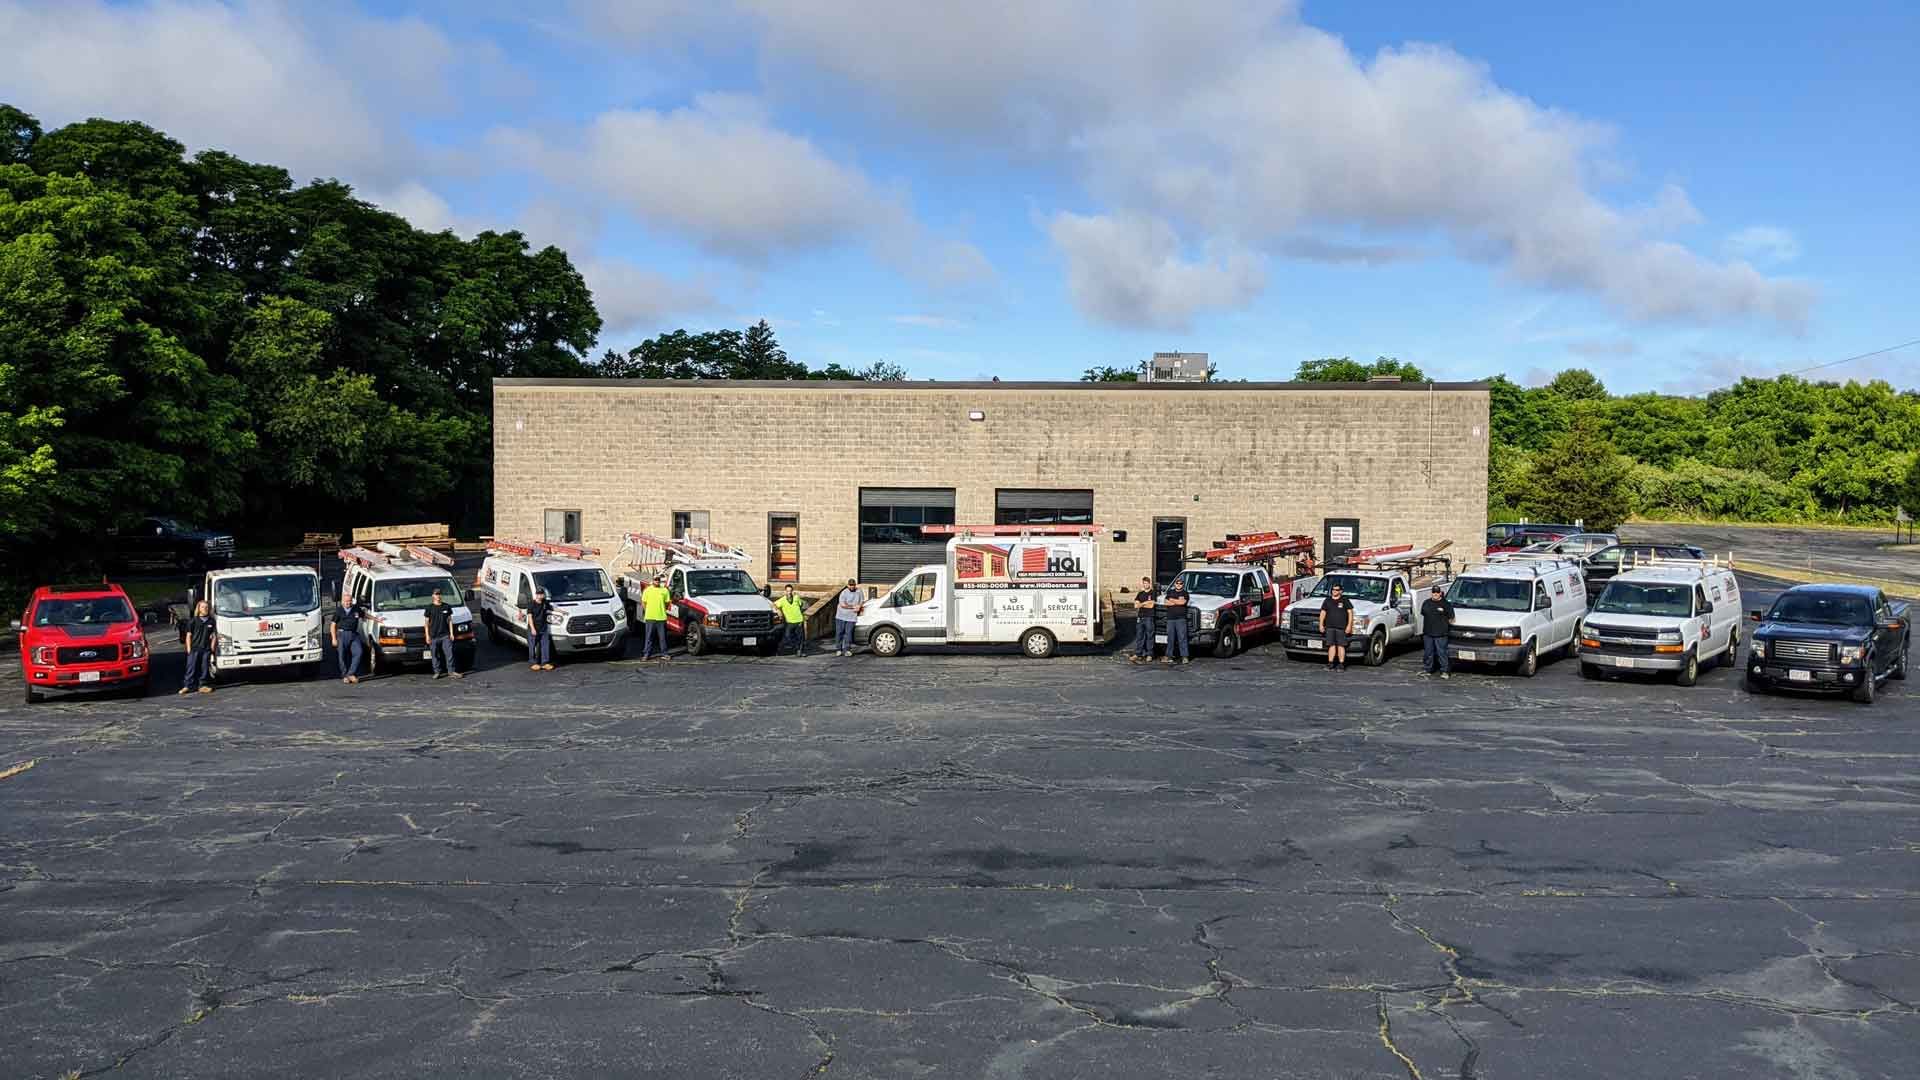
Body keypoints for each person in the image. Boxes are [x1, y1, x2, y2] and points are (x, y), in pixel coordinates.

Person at [179, 599, 216, 695]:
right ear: (199, 609)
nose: (205, 609)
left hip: (206, 649)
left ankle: (202, 686)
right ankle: (187, 686)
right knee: (191, 668)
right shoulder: (193, 621)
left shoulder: (211, 621)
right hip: (194, 648)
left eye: (207, 607)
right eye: (203, 607)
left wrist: (212, 647)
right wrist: (188, 649)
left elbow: (214, 635)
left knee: (204, 668)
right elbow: (188, 636)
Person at [1419, 584, 1455, 679]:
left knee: (1442, 653)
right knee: (1428, 653)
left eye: (1437, 592)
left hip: (1441, 634)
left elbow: (1452, 619)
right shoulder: (1426, 603)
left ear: (1440, 593)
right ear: (1431, 593)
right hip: (1428, 633)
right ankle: (1428, 669)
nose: (1435, 594)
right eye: (1433, 592)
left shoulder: (1446, 604)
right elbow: (1423, 613)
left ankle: (1445, 671)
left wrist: (1445, 626)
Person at [425, 587, 462, 680]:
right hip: (433, 636)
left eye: (439, 594)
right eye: (436, 594)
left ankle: (451, 671)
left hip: (445, 635)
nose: (438, 596)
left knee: (449, 654)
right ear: (433, 596)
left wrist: (452, 633)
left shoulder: (446, 607)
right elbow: (426, 624)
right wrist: (427, 636)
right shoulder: (429, 608)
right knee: (435, 655)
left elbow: (449, 621)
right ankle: (437, 672)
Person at [332, 589, 367, 684]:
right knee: (341, 656)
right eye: (346, 601)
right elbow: (333, 625)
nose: (348, 603)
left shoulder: (356, 609)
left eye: (350, 601)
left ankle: (351, 673)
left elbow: (364, 615)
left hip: (354, 634)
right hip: (342, 635)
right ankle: (345, 675)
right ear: (342, 602)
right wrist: (334, 638)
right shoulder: (339, 610)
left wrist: (377, 619)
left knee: (359, 652)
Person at [1320, 582, 1353, 671]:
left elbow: (1350, 613)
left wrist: (1349, 626)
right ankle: (1330, 663)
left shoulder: (1345, 600)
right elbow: (1323, 613)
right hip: (1329, 627)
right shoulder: (1327, 600)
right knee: (1331, 645)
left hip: (1341, 628)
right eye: (1333, 590)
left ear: (1341, 591)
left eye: (1336, 590)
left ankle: (1341, 664)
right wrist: (1321, 624)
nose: (1334, 591)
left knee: (1341, 646)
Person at [639, 575, 671, 660]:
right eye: (655, 580)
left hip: (661, 617)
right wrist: (647, 611)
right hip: (650, 618)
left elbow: (667, 603)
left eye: (658, 580)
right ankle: (646, 654)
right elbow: (643, 602)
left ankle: (664, 653)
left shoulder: (664, 590)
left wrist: (663, 609)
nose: (657, 581)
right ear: (652, 580)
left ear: (660, 581)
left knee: (662, 637)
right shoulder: (647, 590)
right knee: (649, 637)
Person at [1161, 576, 1191, 665]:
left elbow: (1182, 602)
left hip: (1181, 619)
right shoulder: (1170, 592)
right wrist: (1177, 601)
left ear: (1183, 584)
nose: (1178, 585)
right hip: (1170, 619)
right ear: (1174, 584)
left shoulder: (1185, 593)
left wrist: (1172, 600)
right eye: (1177, 583)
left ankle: (1184, 657)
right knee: (1170, 638)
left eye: (1180, 583)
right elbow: (1166, 602)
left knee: (1182, 638)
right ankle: (1169, 655)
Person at [1129, 576, 1157, 664]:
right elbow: (1135, 606)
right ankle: (1138, 653)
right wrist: (1145, 603)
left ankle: (1149, 654)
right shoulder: (1140, 593)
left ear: (1150, 584)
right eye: (1144, 583)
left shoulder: (1153, 593)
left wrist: (1141, 603)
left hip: (1149, 617)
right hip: (1140, 617)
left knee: (1149, 636)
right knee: (1139, 636)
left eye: (1147, 583)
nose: (1145, 585)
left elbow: (1151, 605)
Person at [774, 585, 808, 656]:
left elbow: (801, 605)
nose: (789, 592)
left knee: (800, 637)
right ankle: (796, 647)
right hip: (789, 622)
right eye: (787, 591)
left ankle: (800, 651)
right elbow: (773, 604)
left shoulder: (796, 597)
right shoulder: (782, 600)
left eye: (790, 591)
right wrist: (778, 611)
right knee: (788, 636)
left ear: (792, 591)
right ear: (785, 591)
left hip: (799, 620)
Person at [527, 586, 555, 670]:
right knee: (532, 645)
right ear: (536, 595)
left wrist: (563, 611)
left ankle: (545, 663)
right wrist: (532, 628)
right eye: (538, 594)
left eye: (541, 594)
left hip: (543, 628)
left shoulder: (545, 602)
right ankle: (533, 663)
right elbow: (529, 617)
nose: (540, 596)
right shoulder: (531, 604)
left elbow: (552, 608)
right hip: (534, 627)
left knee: (545, 645)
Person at [834, 578, 863, 656]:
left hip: (852, 617)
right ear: (848, 585)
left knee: (849, 633)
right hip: (841, 615)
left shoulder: (859, 592)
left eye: (853, 585)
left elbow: (861, 602)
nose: (852, 587)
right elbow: (843, 605)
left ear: (855, 585)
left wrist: (859, 606)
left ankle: (847, 649)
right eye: (850, 585)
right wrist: (854, 607)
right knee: (839, 632)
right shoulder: (844, 593)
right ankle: (838, 649)